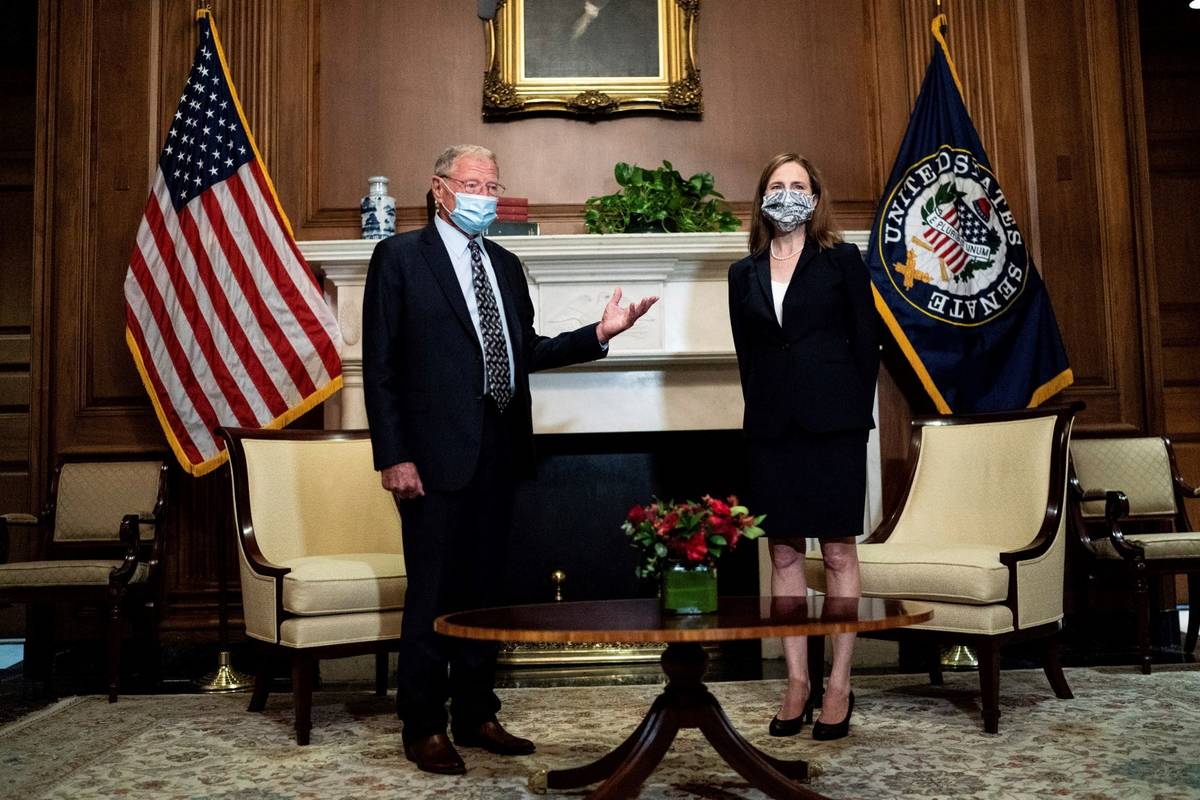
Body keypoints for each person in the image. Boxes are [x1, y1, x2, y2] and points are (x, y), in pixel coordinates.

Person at [363, 144, 657, 775]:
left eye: (493, 187)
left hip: (501, 452)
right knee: (433, 593)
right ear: (439, 188)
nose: (484, 197)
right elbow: (381, 368)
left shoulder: (506, 262)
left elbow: (523, 352)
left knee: (485, 595)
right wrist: (394, 455)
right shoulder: (399, 258)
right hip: (432, 460)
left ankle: (476, 713)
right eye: (473, 184)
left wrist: (599, 334)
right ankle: (423, 724)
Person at [726, 153, 879, 741]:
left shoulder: (841, 260)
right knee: (783, 556)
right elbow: (748, 356)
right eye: (776, 185)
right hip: (771, 430)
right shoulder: (743, 273)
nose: (786, 194)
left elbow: (867, 347)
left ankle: (839, 682)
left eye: (797, 185)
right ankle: (797, 682)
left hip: (834, 428)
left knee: (838, 554)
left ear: (815, 198)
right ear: (761, 196)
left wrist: (848, 413)